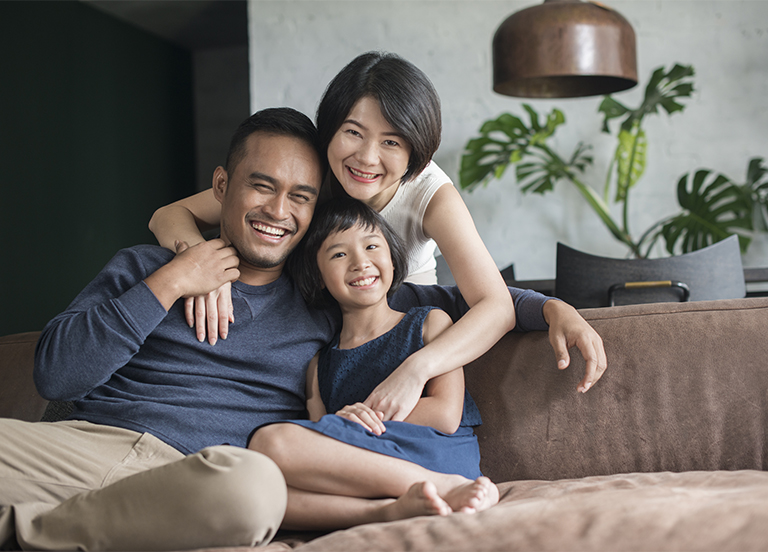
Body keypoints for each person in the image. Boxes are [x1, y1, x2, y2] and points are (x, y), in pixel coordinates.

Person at [1, 107, 601, 551]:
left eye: (301, 197)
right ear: (220, 188)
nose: (277, 211)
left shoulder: (324, 294)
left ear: (314, 213)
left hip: (203, 476)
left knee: (253, 490)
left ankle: (26, 530)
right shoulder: (145, 265)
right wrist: (175, 278)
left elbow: (471, 300)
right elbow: (56, 374)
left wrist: (554, 309)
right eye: (262, 185)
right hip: (81, 446)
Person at [148, 52, 607, 426]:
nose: (366, 158)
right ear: (329, 129)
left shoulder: (431, 196)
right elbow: (170, 215)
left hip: (390, 335)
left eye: (392, 141)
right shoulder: (309, 175)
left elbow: (486, 304)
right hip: (313, 333)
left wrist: (419, 367)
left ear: (415, 149)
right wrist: (201, 268)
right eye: (352, 132)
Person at [249, 198, 498, 530]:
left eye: (371, 246)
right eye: (339, 254)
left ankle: (443, 486)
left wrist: (360, 419)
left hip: (436, 455)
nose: (360, 262)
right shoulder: (319, 364)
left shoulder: (429, 323)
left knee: (270, 443)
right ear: (318, 275)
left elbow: (446, 414)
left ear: (393, 259)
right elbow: (323, 441)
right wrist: (342, 422)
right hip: (367, 473)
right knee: (260, 492)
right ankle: (390, 510)